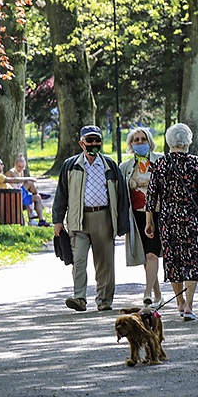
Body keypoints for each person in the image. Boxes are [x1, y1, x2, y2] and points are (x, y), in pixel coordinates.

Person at [52, 125, 129, 312]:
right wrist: (58, 220)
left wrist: (122, 225)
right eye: (89, 140)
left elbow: (121, 197)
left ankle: (104, 301)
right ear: (81, 143)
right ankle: (79, 297)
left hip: (104, 217)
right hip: (79, 218)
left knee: (104, 262)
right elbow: (61, 193)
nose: (94, 144)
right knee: (78, 260)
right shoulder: (71, 165)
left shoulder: (110, 165)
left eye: (97, 140)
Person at [144, 123, 198, 322]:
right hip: (190, 217)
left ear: (169, 141)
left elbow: (151, 196)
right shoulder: (196, 163)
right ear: (188, 141)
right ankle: (189, 306)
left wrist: (149, 221)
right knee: (192, 259)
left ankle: (180, 302)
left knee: (173, 259)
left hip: (168, 217)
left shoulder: (161, 164)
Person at [119, 126, 163, 305]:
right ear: (131, 144)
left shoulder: (160, 161)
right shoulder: (125, 167)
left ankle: (147, 293)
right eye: (136, 140)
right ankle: (157, 295)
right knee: (147, 257)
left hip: (158, 215)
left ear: (149, 142)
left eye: (143, 139)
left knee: (152, 255)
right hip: (136, 216)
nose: (139, 143)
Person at [5, 153, 50, 226]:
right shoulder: (11, 172)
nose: (20, 169)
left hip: (20, 195)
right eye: (19, 167)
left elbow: (21, 184)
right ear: (15, 165)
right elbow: (17, 180)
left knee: (37, 197)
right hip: (14, 196)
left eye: (22, 167)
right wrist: (29, 178)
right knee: (29, 182)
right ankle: (38, 193)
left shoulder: (21, 172)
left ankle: (41, 220)